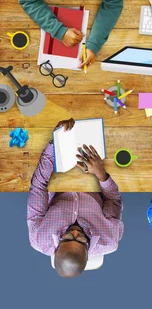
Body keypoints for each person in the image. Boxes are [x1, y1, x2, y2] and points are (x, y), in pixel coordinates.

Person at [27, 119, 124, 278]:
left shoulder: (40, 237)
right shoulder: (108, 239)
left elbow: (38, 186)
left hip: (60, 176)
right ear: (88, 249)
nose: (73, 231)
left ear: (56, 247)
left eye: (66, 237)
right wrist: (101, 173)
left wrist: (55, 141)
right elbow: (114, 200)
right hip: (94, 176)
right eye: (80, 238)